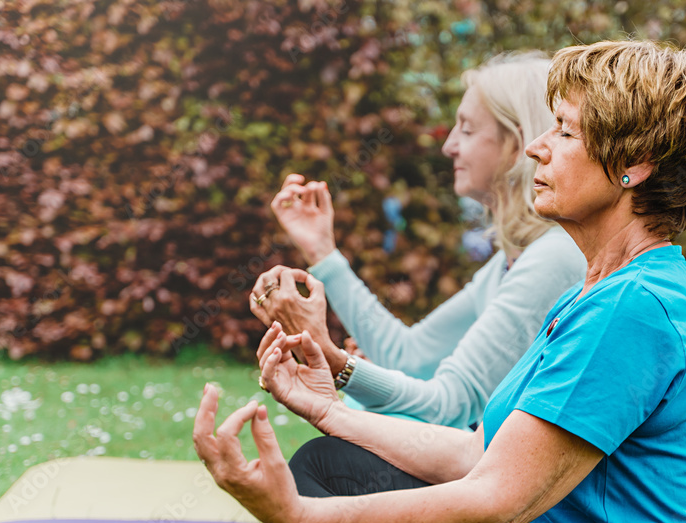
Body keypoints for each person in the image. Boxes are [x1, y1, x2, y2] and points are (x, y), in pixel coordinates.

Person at [194, 39, 686, 523]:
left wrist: (299, 516)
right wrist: (330, 409)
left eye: (563, 131)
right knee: (332, 462)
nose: (539, 146)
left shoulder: (632, 309)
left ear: (634, 164)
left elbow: (492, 506)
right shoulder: (602, 288)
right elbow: (475, 451)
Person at [249, 52, 586, 429]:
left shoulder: (553, 258)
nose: (449, 146)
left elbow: (451, 404)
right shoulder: (512, 263)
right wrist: (321, 252)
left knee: (334, 457)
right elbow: (408, 357)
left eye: (468, 130)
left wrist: (333, 361)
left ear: (518, 143)